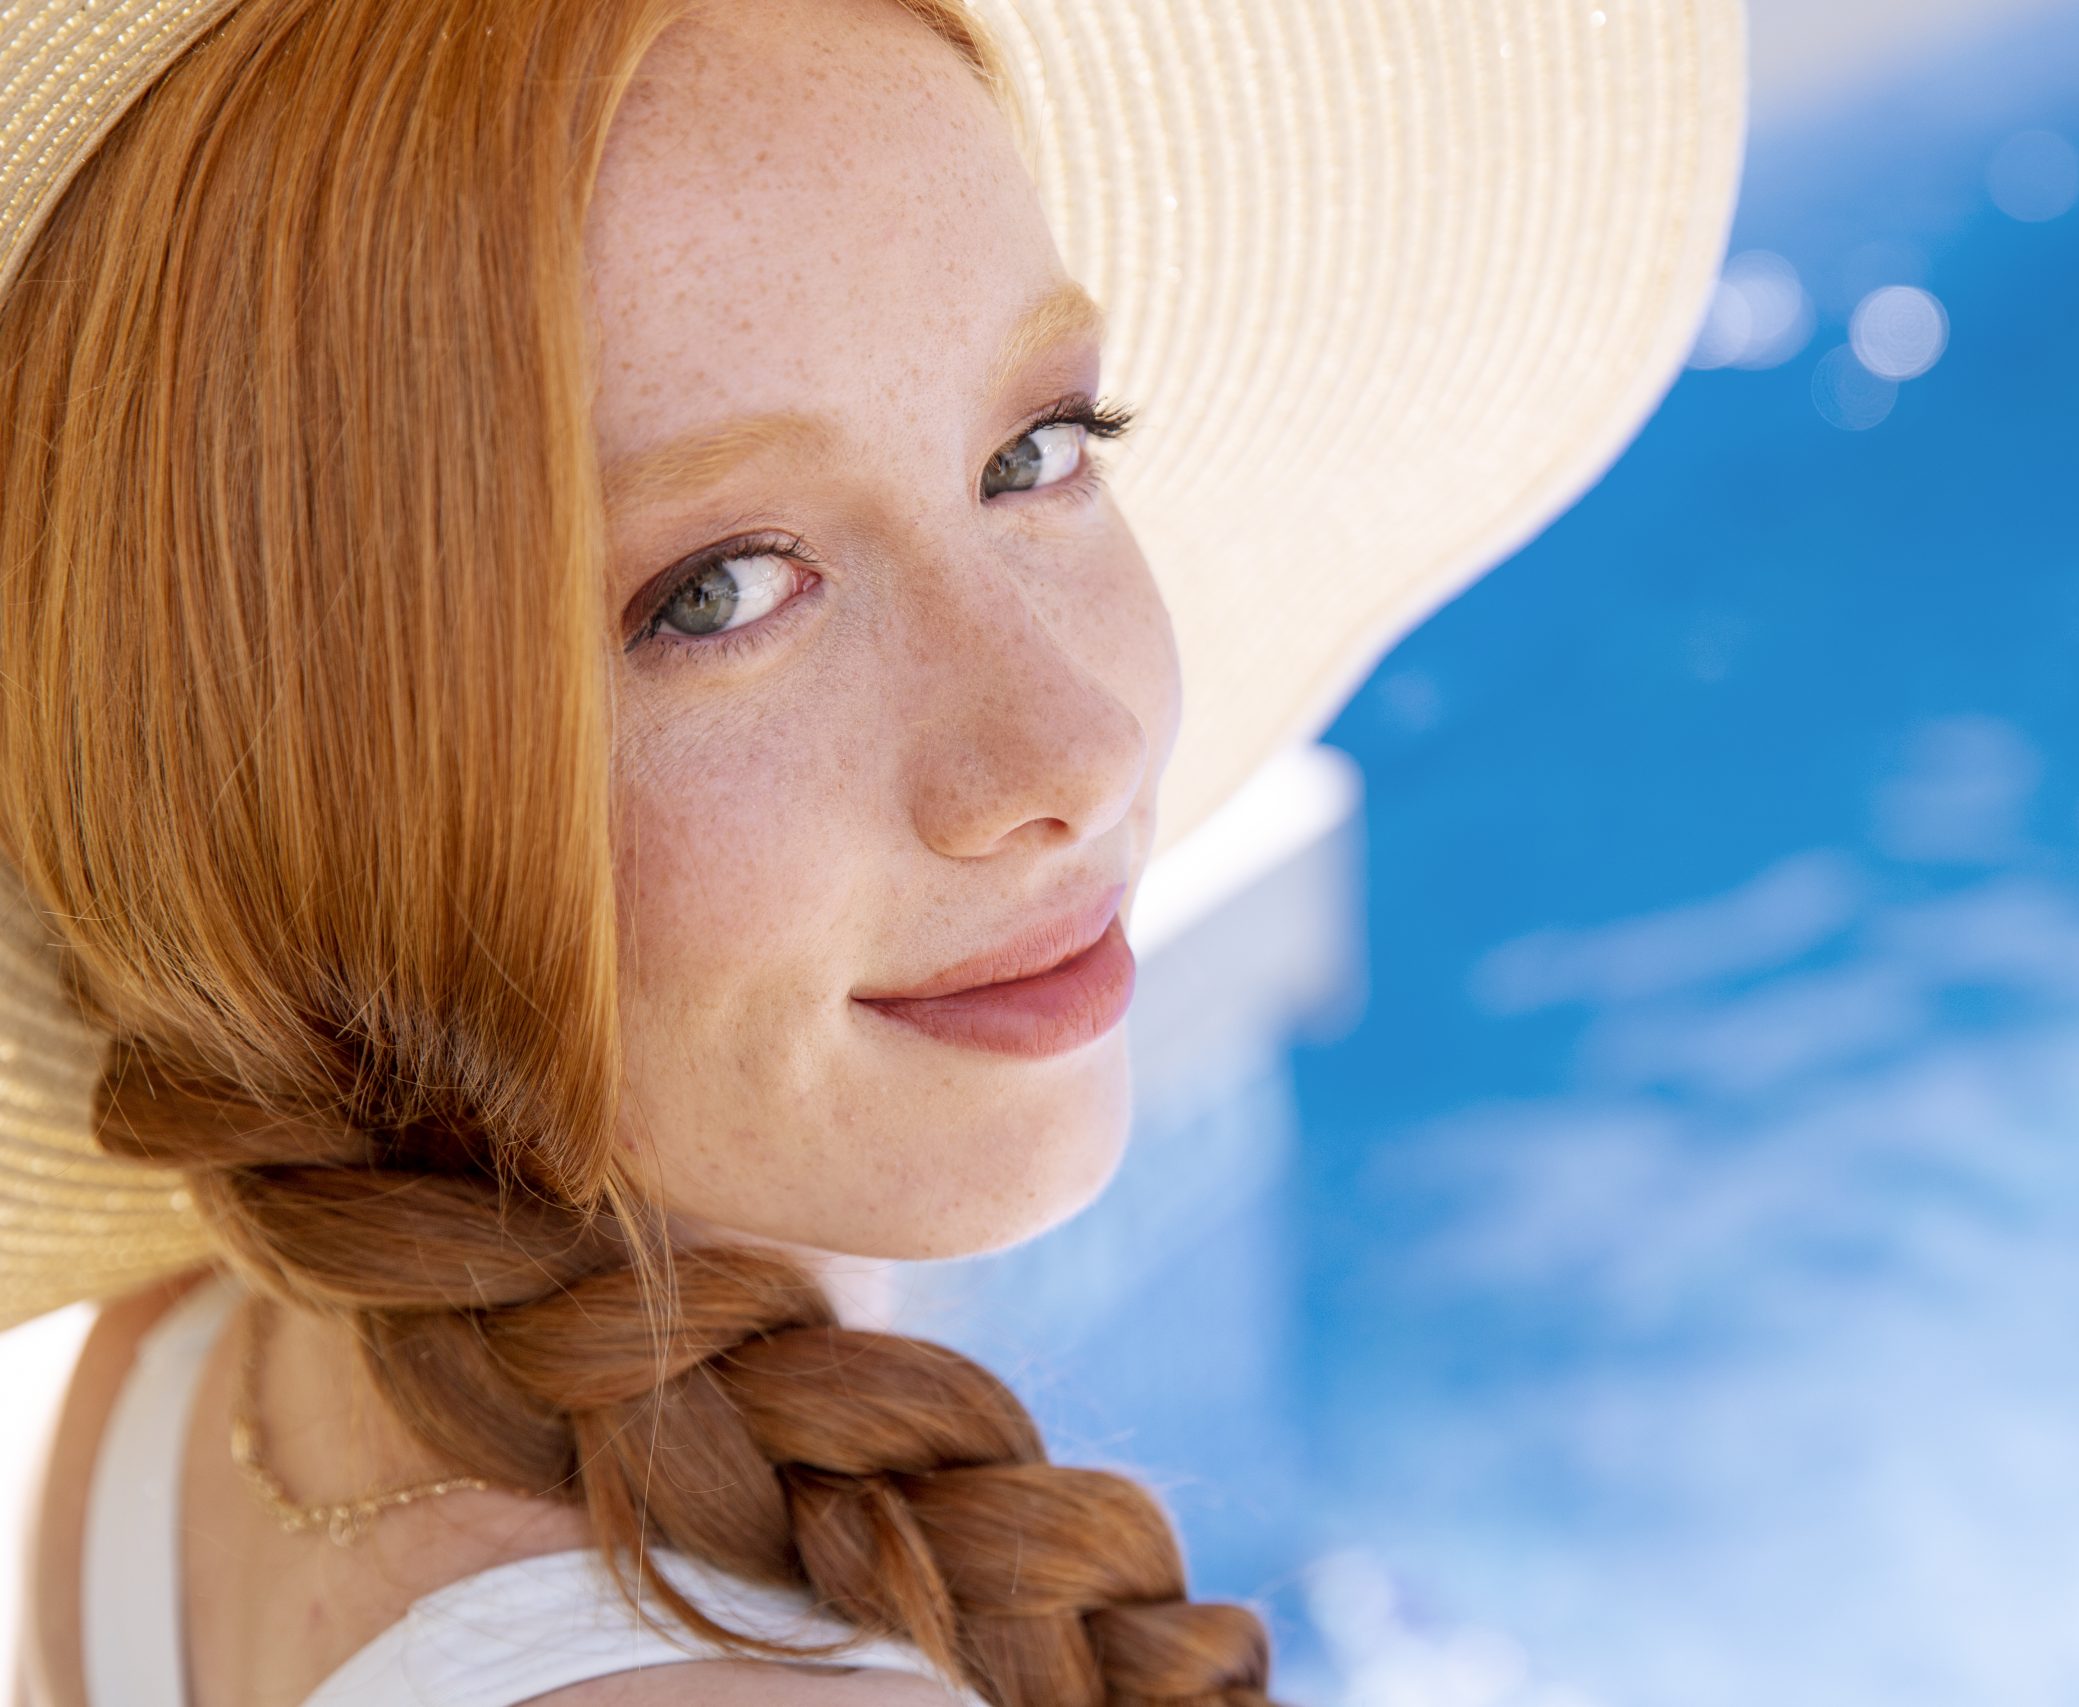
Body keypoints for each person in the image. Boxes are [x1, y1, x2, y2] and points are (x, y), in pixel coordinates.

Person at [0, 0, 1745, 1703]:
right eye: (724, 590)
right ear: (322, 775)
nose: (1070, 751)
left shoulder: (209, 1368)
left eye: (1036, 449)